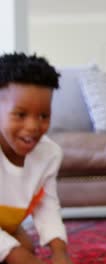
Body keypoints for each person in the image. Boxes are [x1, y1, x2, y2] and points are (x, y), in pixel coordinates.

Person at [0, 53, 72, 263]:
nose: (33, 126)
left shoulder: (49, 154)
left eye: (43, 116)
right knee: (19, 255)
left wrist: (59, 251)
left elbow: (47, 205)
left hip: (7, 224)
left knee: (26, 249)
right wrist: (15, 254)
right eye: (20, 115)